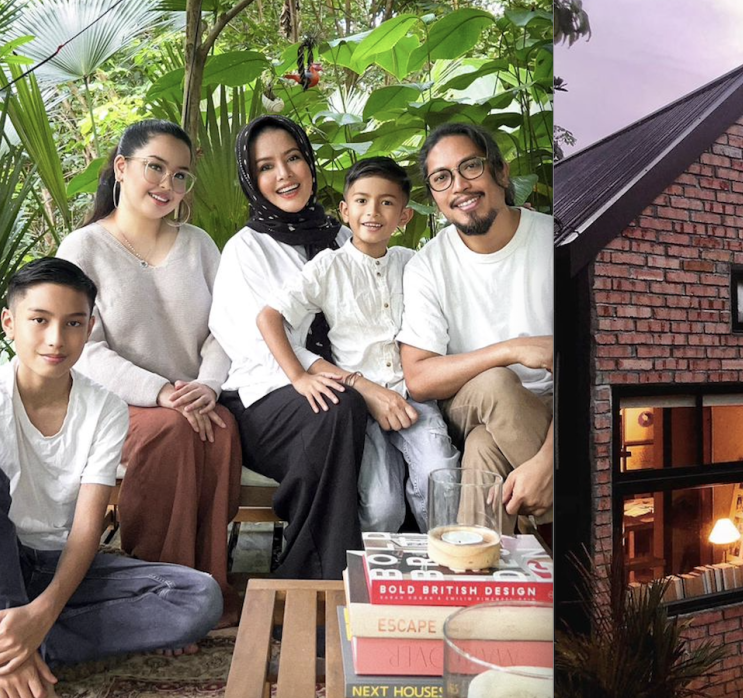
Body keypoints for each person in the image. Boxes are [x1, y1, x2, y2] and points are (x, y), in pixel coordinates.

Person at [0, 258, 221, 698]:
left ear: (90, 326)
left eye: (73, 323)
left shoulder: (105, 409)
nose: (56, 339)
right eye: (39, 320)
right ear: (9, 323)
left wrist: (41, 614)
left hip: (56, 567)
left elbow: (85, 532)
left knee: (197, 598)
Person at [56, 119, 242, 626]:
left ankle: (209, 587)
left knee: (221, 432)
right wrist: (160, 392)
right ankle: (159, 596)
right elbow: (84, 349)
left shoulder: (199, 243)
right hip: (117, 404)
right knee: (170, 434)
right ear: (122, 167)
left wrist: (206, 385)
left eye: (181, 175)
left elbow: (225, 329)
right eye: (155, 168)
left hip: (196, 398)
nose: (168, 185)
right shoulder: (83, 249)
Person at [257, 157, 460, 532]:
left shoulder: (412, 263)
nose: (373, 211)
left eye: (386, 202)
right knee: (382, 507)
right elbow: (269, 317)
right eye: (362, 201)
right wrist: (298, 377)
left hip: (414, 398)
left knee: (442, 481)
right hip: (362, 408)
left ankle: (442, 574)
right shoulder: (328, 267)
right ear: (345, 211)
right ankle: (377, 583)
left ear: (404, 216)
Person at [210, 115, 370, 580]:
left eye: (293, 158)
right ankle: (319, 577)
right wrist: (352, 382)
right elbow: (257, 344)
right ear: (251, 179)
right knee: (338, 407)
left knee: (357, 408)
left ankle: (397, 573)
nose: (283, 174)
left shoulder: (344, 240)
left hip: (341, 392)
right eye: (265, 167)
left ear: (310, 163)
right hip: (263, 397)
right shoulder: (246, 250)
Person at [397, 123, 554, 533]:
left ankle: (478, 578)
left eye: (471, 167)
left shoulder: (554, 241)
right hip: (474, 399)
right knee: (498, 384)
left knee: (483, 451)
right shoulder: (428, 266)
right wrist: (510, 349)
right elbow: (419, 377)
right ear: (434, 196)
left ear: (501, 173)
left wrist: (547, 462)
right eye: (442, 178)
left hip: (554, 409)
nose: (459, 186)